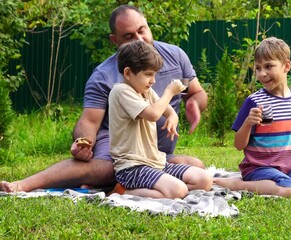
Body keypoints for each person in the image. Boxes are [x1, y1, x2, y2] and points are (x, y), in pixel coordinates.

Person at [0, 5, 208, 193]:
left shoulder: (175, 56)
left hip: (154, 151)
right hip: (120, 150)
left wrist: (193, 103)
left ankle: (115, 185)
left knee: (195, 165)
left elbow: (197, 93)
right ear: (114, 40)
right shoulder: (105, 76)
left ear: (148, 26)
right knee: (107, 169)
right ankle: (25, 184)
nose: (139, 39)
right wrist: (83, 142)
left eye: (141, 30)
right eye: (128, 36)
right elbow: (90, 121)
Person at [214, 37, 291, 197]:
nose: (262, 74)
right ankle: (238, 184)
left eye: (268, 66)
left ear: (286, 66)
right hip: (259, 168)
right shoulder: (254, 101)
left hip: (289, 167)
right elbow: (238, 145)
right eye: (258, 68)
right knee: (290, 191)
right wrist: (248, 123)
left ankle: (283, 180)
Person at [109, 40, 211, 198]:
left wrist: (173, 117)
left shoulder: (146, 91)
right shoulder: (121, 91)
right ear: (128, 73)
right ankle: (122, 191)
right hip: (132, 167)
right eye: (148, 74)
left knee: (204, 180)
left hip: (156, 162)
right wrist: (170, 92)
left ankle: (163, 189)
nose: (153, 80)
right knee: (178, 191)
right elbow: (153, 114)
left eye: (154, 74)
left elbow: (167, 111)